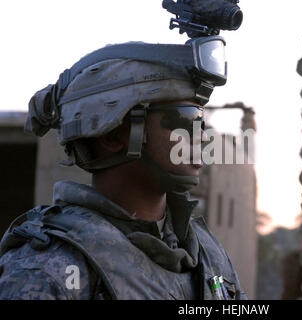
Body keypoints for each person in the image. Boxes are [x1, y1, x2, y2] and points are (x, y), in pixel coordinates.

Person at [0, 39, 247, 300]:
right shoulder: (49, 268)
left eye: (201, 122)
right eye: (184, 120)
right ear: (113, 135)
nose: (202, 137)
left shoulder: (206, 252)